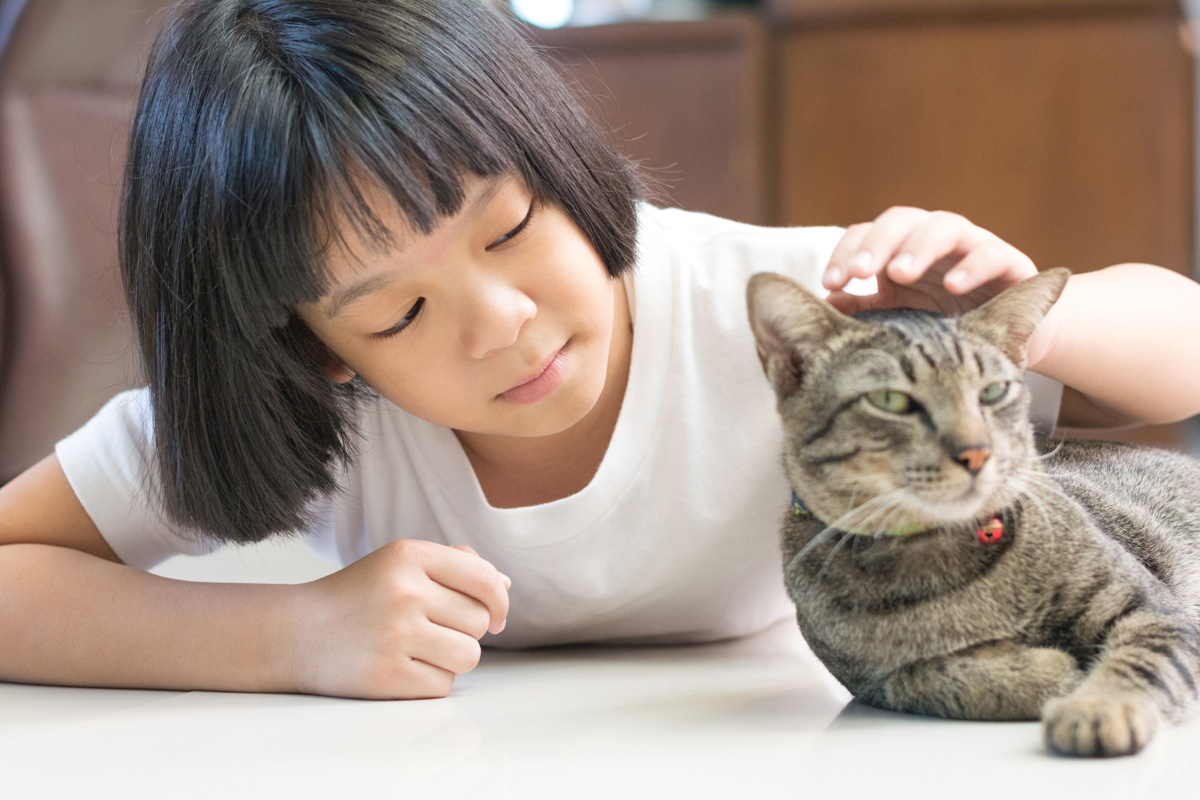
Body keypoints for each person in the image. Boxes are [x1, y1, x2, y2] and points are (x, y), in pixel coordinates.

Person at [1, 0, 1199, 701]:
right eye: (396, 315)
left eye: (512, 229)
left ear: (564, 163)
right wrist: (285, 632)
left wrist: (1017, 307)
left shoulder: (776, 312)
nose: (502, 320)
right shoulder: (305, 407)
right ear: (316, 351)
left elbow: (1180, 345)